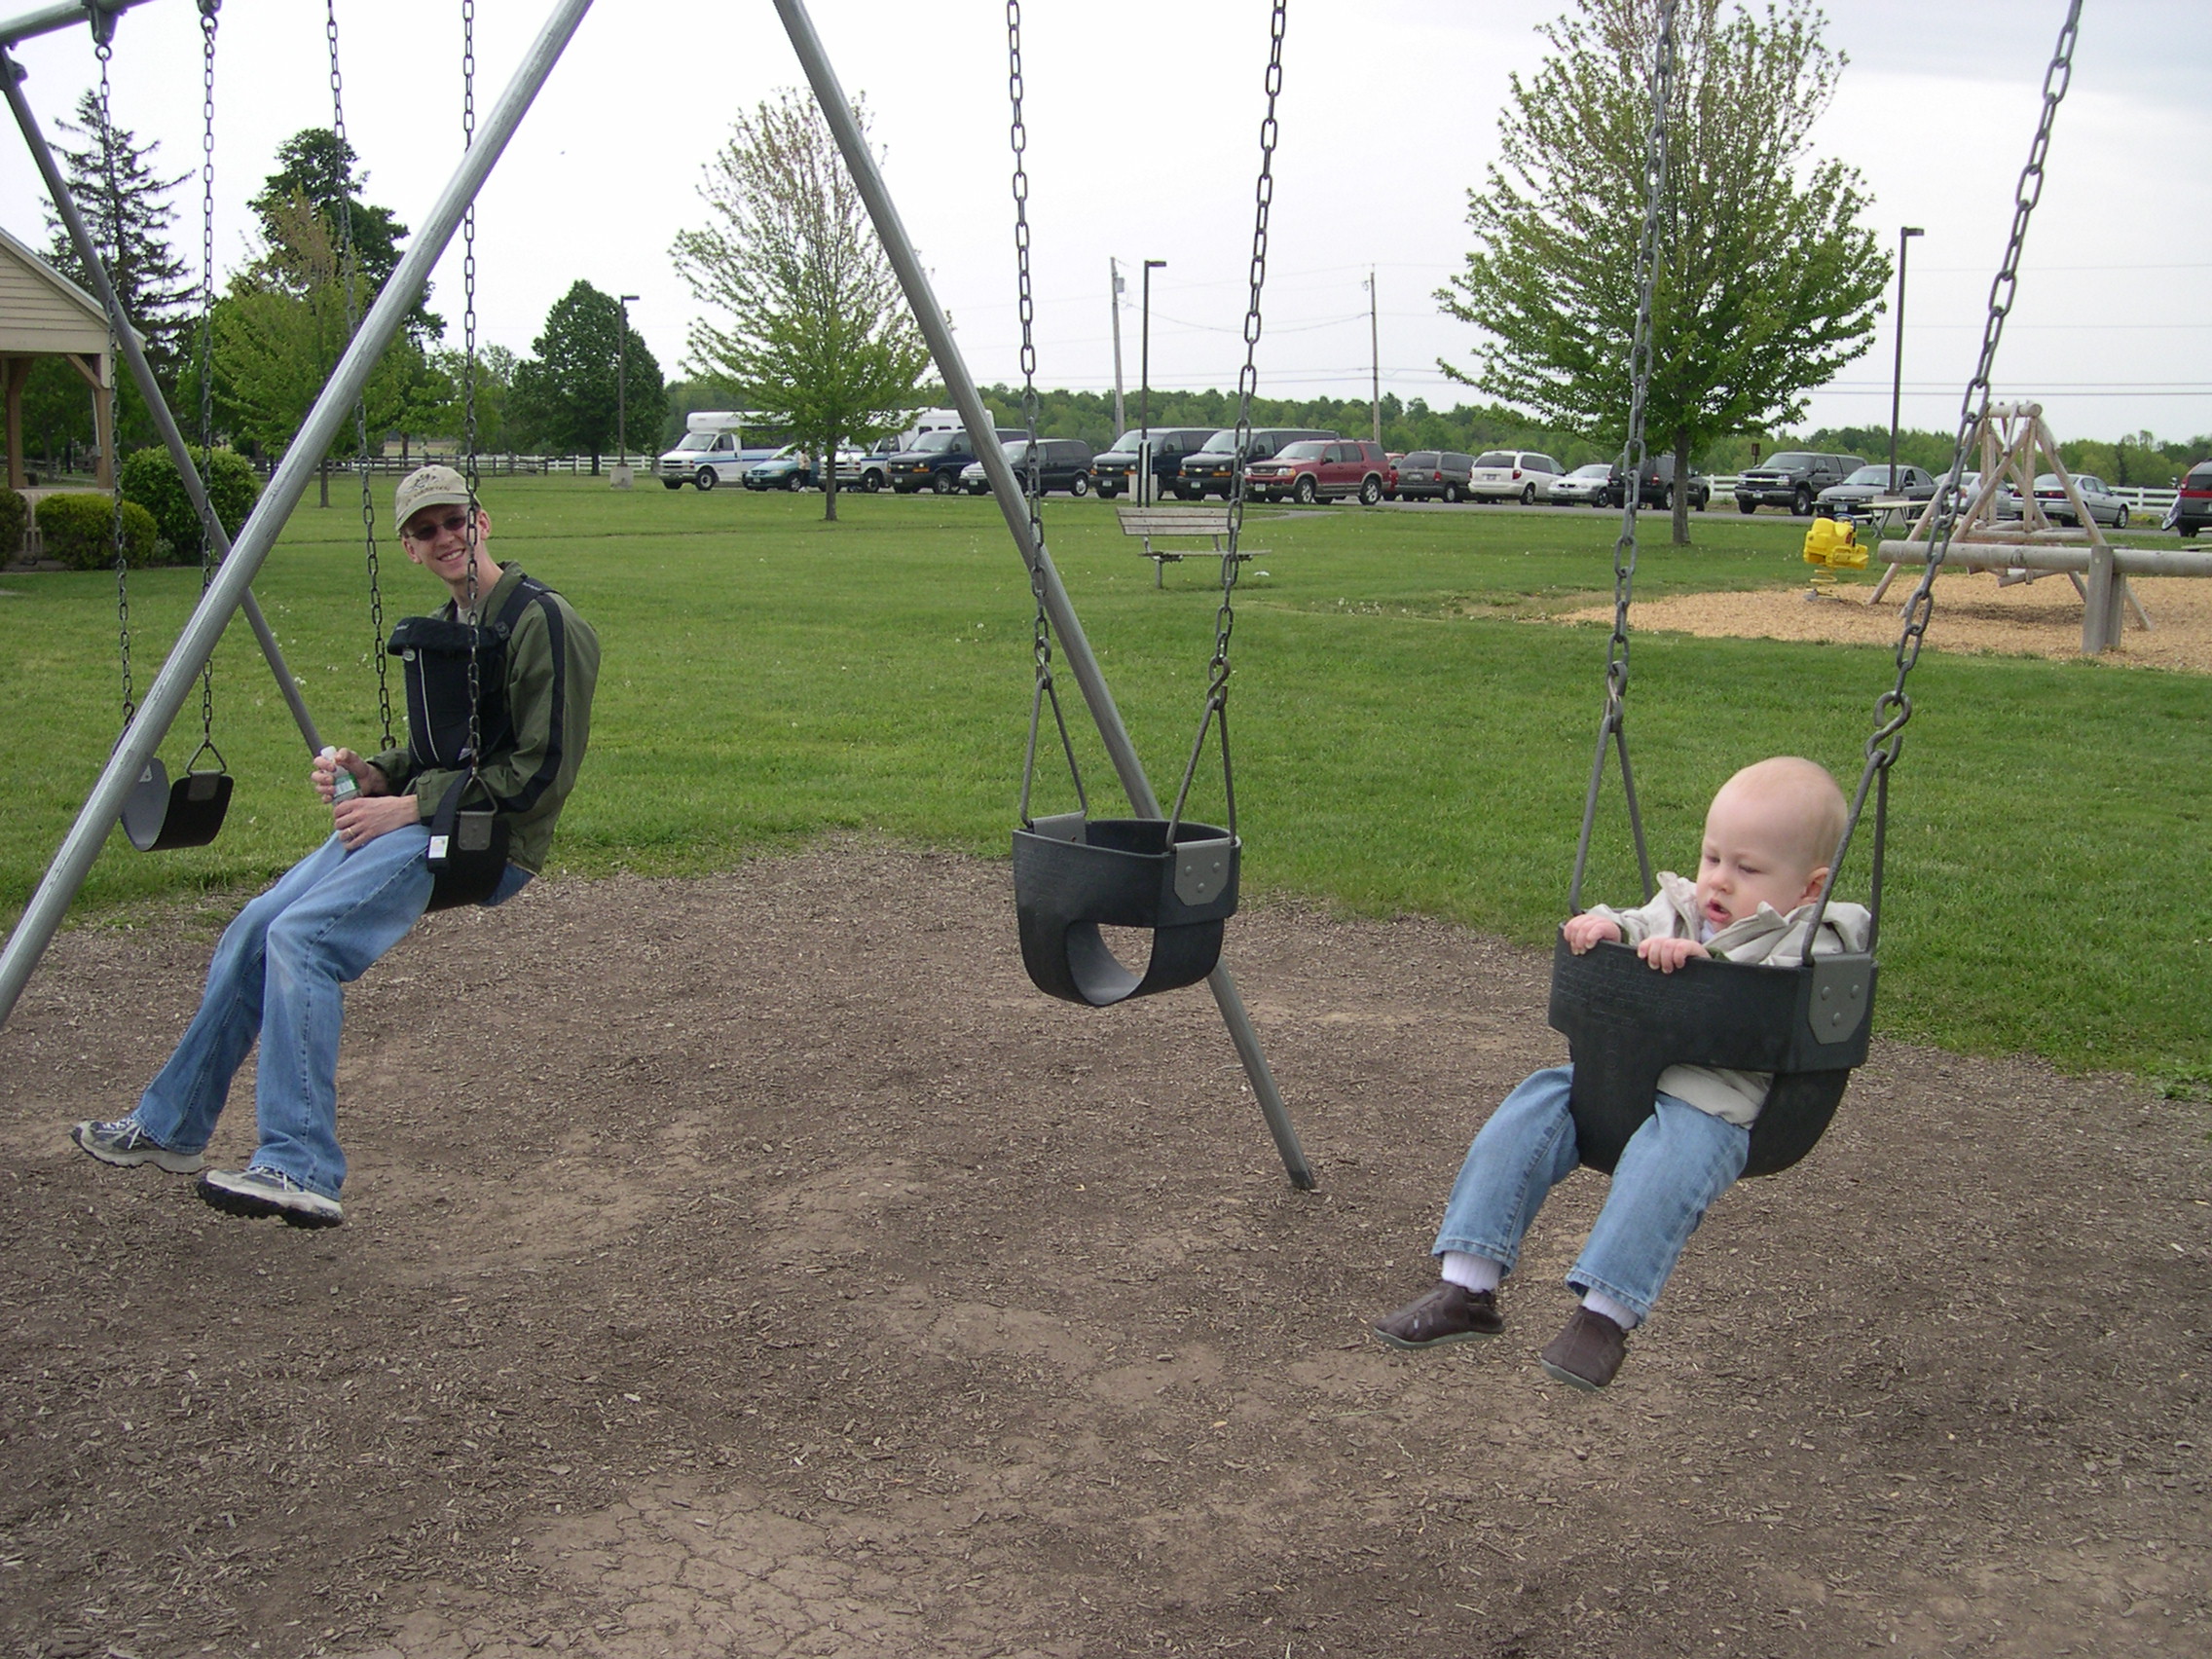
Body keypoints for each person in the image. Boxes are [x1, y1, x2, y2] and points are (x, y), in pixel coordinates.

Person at [67, 465, 600, 1229]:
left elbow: (541, 773)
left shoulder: (546, 622)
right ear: (410, 549)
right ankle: (172, 1124)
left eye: (453, 521)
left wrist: (404, 810)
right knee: (255, 925)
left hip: (488, 838)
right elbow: (438, 749)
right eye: (425, 530)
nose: (444, 538)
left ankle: (299, 1165)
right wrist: (373, 773)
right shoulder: (450, 624)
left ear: (481, 521)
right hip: (426, 817)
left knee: (303, 938)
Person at [1373, 756, 1870, 1390]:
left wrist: (1707, 962)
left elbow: (1803, 973)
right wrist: (1608, 926)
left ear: (1809, 887)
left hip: (1715, 1109)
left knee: (1668, 1168)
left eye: (1747, 869)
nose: (1718, 881)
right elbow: (1642, 920)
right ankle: (1466, 1287)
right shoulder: (1686, 904)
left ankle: (1603, 1319)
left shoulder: (1815, 929)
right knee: (1532, 1106)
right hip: (1619, 1085)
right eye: (1712, 857)